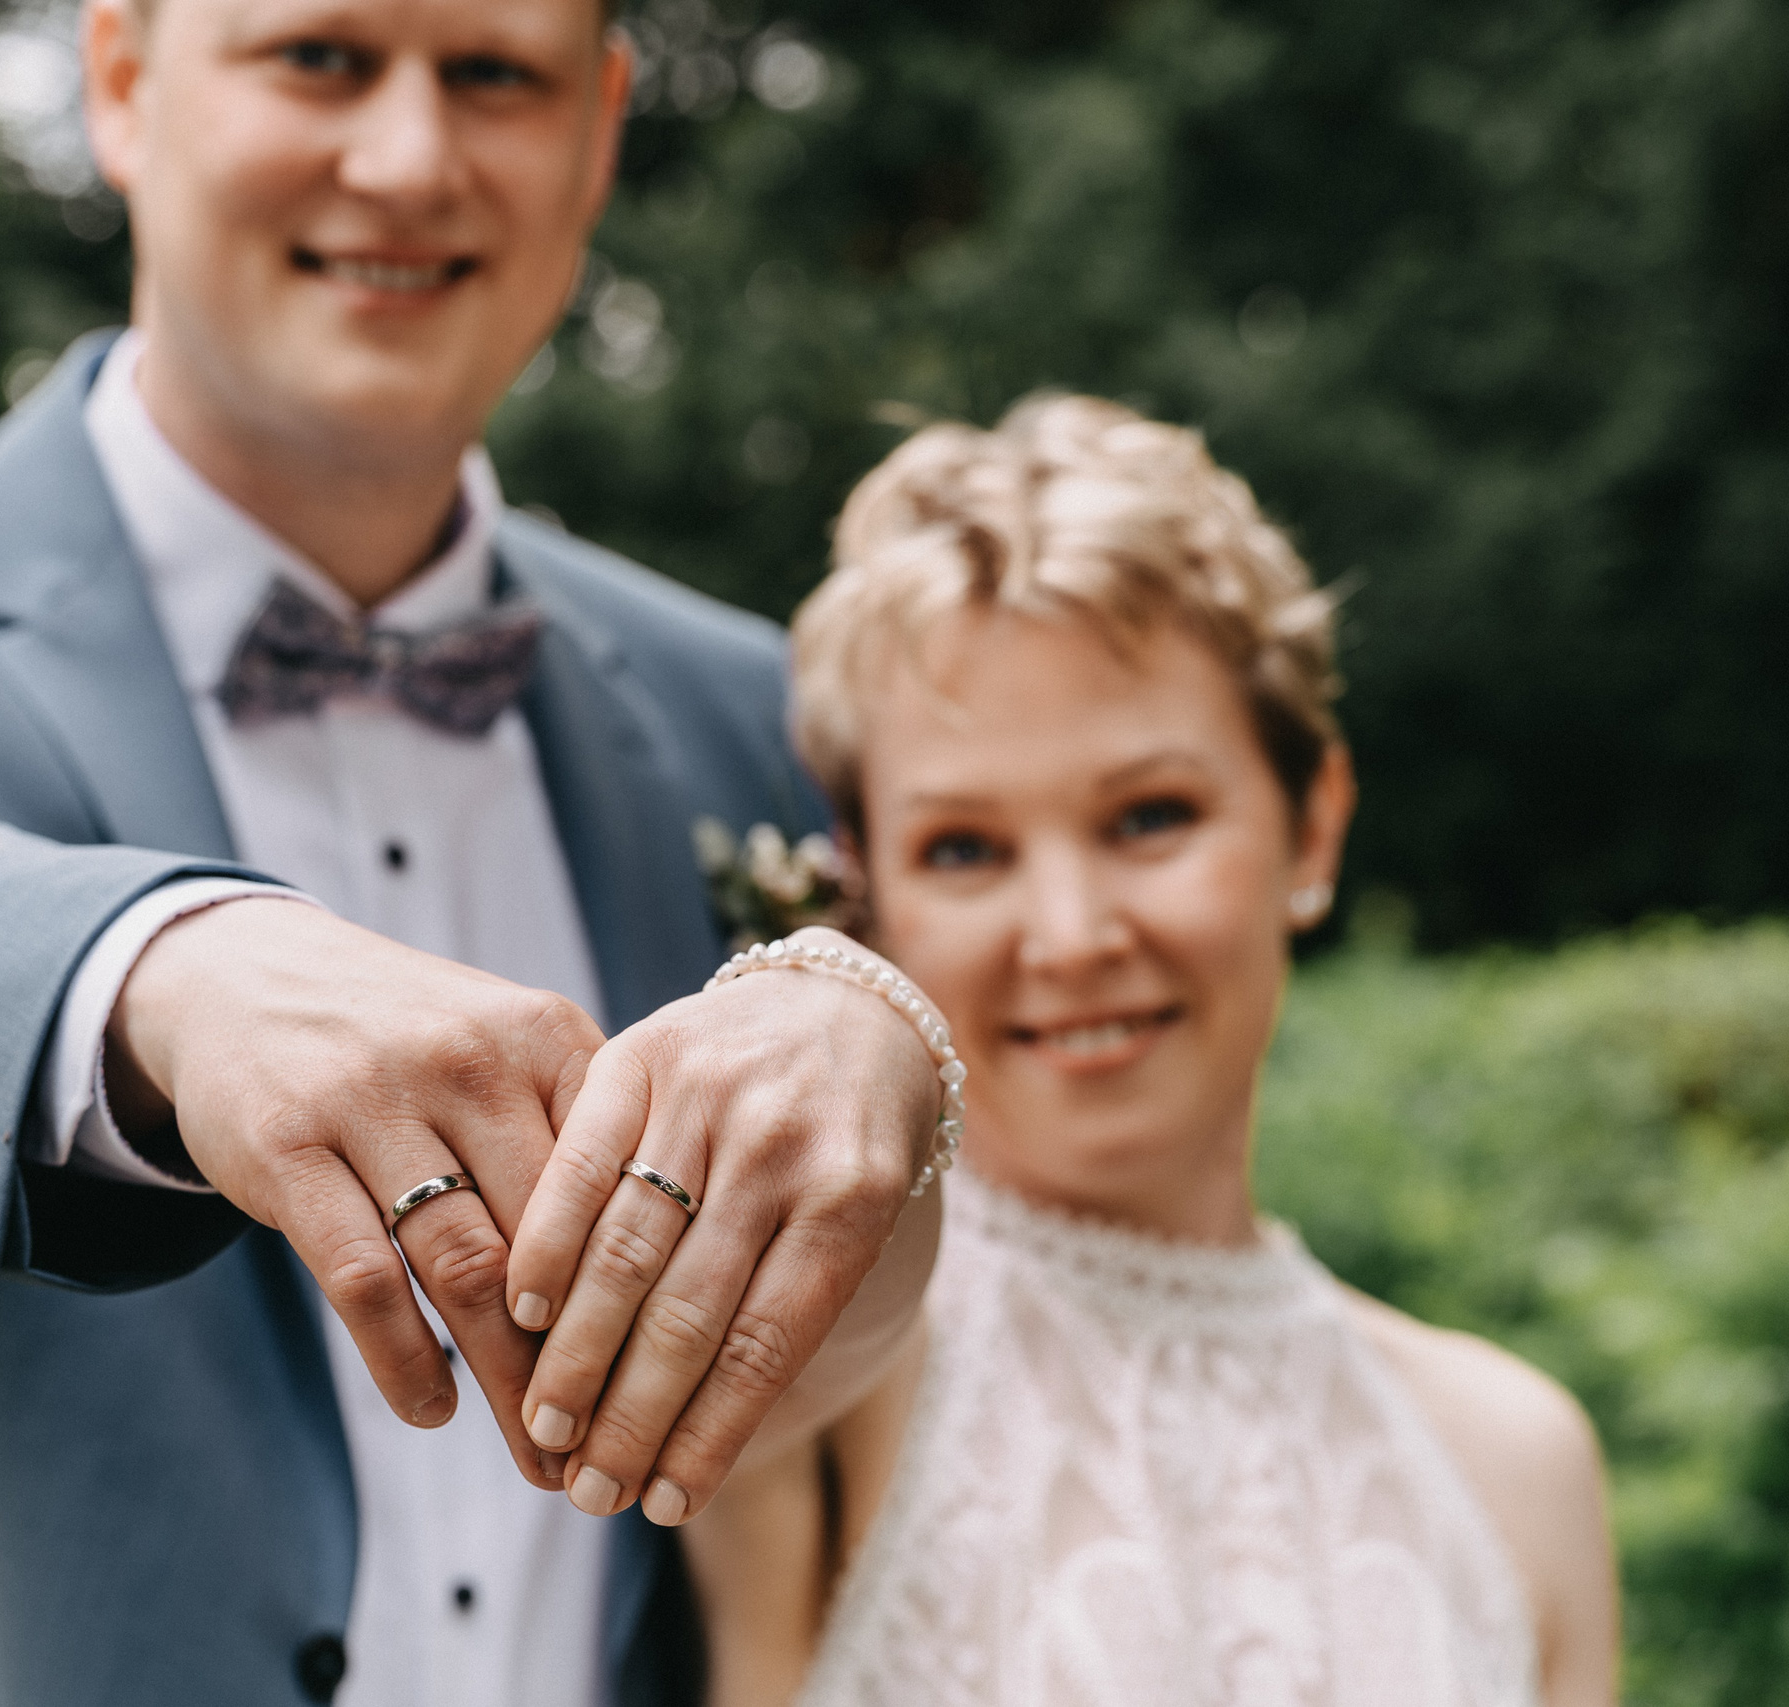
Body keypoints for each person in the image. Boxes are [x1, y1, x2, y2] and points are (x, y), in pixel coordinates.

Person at [0, 0, 945, 1702]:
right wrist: (166, 974)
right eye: (323, 59)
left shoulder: (751, 709)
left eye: (493, 76)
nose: (409, 160)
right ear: (123, 84)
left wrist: (883, 1032)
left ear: (596, 130)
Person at [676, 395, 1621, 1707]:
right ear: (868, 890)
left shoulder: (1517, 1459)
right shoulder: (833, 1355)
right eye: (963, 848)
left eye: (1149, 817)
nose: (1068, 937)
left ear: (1314, 825)